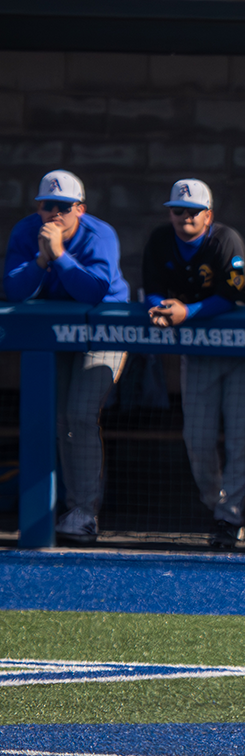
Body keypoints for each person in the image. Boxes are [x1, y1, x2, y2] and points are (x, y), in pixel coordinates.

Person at [4, 169, 131, 543]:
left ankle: (84, 512)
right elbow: (13, 290)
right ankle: (59, 510)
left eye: (63, 206)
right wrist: (40, 261)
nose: (54, 214)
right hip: (55, 333)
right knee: (58, 417)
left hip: (103, 330)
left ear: (80, 208)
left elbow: (93, 291)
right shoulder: (27, 231)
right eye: (47, 206)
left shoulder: (99, 233)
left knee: (79, 414)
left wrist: (58, 255)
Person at [143, 179, 245, 549]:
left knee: (240, 437)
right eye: (179, 210)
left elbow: (232, 293)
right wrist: (161, 307)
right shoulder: (161, 239)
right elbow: (152, 285)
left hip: (243, 350)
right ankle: (217, 506)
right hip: (199, 351)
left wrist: (186, 312)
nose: (185, 217)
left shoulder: (226, 240)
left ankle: (230, 516)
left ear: (208, 215)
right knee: (197, 438)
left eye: (194, 211)